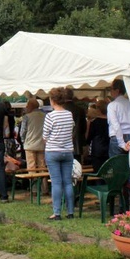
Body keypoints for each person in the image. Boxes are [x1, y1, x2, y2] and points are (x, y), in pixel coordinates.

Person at [43, 87, 75, 221]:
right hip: (68, 151)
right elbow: (72, 130)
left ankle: (56, 212)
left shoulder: (50, 116)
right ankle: (70, 211)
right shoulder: (69, 114)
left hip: (53, 151)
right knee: (68, 182)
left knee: (56, 182)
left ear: (53, 100)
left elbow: (45, 136)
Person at [107, 79, 130, 157]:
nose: (110, 92)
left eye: (111, 89)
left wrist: (122, 143)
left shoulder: (112, 105)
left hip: (117, 138)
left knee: (116, 166)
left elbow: (115, 125)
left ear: (117, 90)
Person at [20, 98, 47, 190]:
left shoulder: (27, 116)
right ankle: (44, 188)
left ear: (31, 106)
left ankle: (34, 189)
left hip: (30, 145)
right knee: (42, 166)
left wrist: (24, 141)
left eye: (28, 105)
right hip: (42, 144)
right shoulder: (45, 116)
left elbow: (22, 132)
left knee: (31, 167)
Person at [85, 100, 109, 172]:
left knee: (98, 171)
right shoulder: (111, 121)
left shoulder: (94, 122)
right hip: (109, 148)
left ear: (98, 109)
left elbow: (88, 137)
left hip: (97, 150)